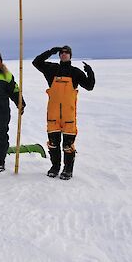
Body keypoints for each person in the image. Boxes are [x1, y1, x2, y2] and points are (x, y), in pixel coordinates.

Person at [32, 45, 95, 180]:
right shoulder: (51, 69)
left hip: (69, 115)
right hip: (53, 114)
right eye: (61, 52)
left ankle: (68, 169)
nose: (64, 54)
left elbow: (89, 86)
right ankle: (55, 167)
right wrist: (51, 51)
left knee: (68, 145)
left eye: (67, 53)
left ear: (70, 55)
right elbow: (36, 62)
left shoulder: (75, 72)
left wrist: (90, 72)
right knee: (53, 144)